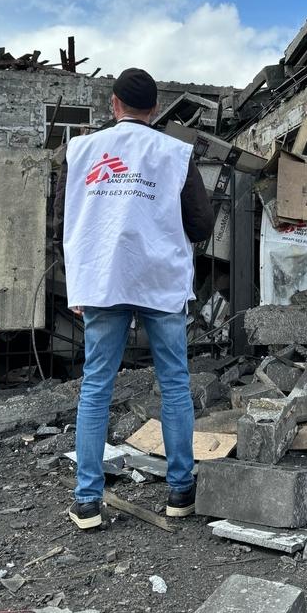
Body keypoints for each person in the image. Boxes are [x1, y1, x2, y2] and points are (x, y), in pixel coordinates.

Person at [59, 67, 213, 530]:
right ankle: (180, 491)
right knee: (174, 384)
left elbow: (66, 219)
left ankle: (87, 501)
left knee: (95, 386)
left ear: (114, 104)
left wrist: (79, 281)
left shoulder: (82, 151)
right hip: (160, 281)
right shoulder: (174, 153)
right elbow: (202, 225)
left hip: (104, 280)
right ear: (154, 109)